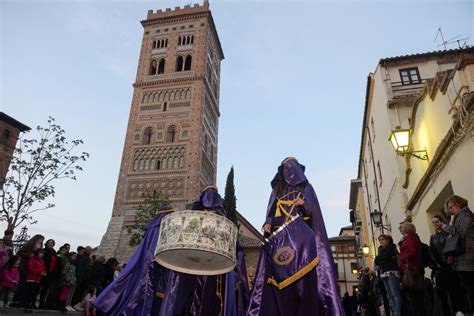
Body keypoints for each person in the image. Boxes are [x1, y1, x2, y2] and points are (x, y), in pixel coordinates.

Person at [247, 157, 343, 315]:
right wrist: (268, 223)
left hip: (302, 242)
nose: (290, 170)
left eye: (293, 166)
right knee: (281, 281)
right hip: (282, 241)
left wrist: (304, 204)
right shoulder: (277, 191)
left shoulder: (306, 188)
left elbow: (312, 213)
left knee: (304, 281)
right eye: (287, 167)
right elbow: (271, 211)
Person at [160, 186, 250, 316]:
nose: (209, 214)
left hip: (214, 271)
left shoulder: (223, 223)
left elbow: (234, 247)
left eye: (212, 211)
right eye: (206, 210)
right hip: (191, 267)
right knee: (186, 299)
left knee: (210, 302)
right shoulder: (192, 220)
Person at [442, 195, 474, 314]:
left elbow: (461, 232)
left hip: (467, 258)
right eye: (449, 208)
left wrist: (447, 227)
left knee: (470, 286)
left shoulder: (465, 215)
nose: (450, 210)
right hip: (462, 259)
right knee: (467, 287)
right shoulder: (459, 216)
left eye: (451, 207)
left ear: (458, 204)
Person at [429, 215, 463, 316]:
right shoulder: (433, 237)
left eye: (436, 221)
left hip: (450, 266)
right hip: (440, 268)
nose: (435, 224)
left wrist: (449, 259)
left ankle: (458, 310)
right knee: (441, 293)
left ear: (441, 221)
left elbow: (452, 245)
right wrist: (436, 265)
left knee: (454, 291)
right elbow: (432, 252)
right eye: (433, 222)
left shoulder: (447, 233)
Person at [10, 234, 44, 307]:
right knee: (21, 284)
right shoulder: (29, 245)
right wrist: (29, 255)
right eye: (40, 239)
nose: (41, 241)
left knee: (26, 285)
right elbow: (19, 252)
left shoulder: (39, 247)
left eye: (42, 240)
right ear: (36, 239)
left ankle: (21, 301)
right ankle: (15, 301)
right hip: (24, 266)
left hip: (30, 268)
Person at [399, 222, 424, 316]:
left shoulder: (409, 239)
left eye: (402, 228)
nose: (401, 230)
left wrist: (401, 258)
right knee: (414, 296)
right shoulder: (409, 238)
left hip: (412, 269)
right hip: (412, 268)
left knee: (414, 296)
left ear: (406, 229)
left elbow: (412, 253)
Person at [374, 234, 401, 316]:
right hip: (384, 274)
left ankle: (397, 311)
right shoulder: (381, 249)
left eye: (382, 239)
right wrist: (379, 259)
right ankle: (393, 310)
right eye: (380, 240)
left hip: (392, 273)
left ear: (387, 240)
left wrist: (379, 259)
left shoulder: (391, 247)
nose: (381, 241)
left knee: (395, 293)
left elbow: (381, 258)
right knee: (389, 295)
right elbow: (377, 260)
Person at [39, 238, 57, 308]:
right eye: (49, 242)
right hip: (43, 272)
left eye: (52, 243)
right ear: (46, 243)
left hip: (50, 273)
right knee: (38, 287)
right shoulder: (44, 251)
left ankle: (42, 304)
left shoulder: (54, 252)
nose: (50, 244)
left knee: (45, 289)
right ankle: (34, 303)